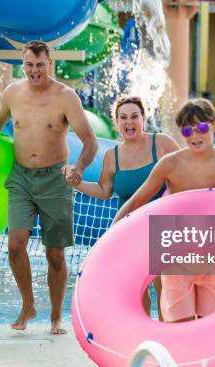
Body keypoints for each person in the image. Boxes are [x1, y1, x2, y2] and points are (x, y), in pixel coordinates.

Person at [113, 98, 215, 323]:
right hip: (177, 257)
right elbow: (136, 201)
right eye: (187, 131)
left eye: (202, 128)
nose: (195, 136)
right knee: (179, 325)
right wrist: (113, 230)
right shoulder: (170, 164)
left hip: (214, 257)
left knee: (209, 326)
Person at [0, 40, 97, 334]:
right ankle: (28, 304)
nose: (35, 71)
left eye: (40, 65)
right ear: (23, 65)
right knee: (14, 245)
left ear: (50, 64)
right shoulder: (12, 93)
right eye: (29, 65)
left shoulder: (66, 97)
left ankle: (57, 316)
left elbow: (90, 140)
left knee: (55, 254)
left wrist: (79, 168)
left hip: (55, 180)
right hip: (20, 178)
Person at [75, 95, 179, 319]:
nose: (129, 122)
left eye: (134, 117)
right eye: (123, 118)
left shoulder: (161, 144)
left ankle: (165, 335)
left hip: (161, 227)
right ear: (116, 122)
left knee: (164, 287)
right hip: (128, 229)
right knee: (137, 290)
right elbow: (104, 191)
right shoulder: (112, 156)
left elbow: (185, 173)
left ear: (144, 118)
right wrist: (79, 184)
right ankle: (144, 335)